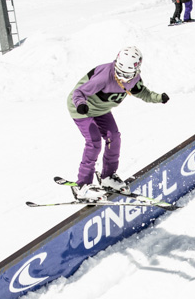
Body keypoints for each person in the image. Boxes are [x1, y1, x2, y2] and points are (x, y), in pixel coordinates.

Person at [65, 47, 170, 201]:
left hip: (101, 110)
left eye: (126, 75)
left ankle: (108, 177)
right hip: (81, 108)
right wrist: (81, 104)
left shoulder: (134, 78)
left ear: (136, 70)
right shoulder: (104, 77)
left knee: (114, 138)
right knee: (94, 142)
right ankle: (82, 186)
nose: (122, 78)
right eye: (119, 73)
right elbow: (78, 93)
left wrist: (158, 98)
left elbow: (142, 92)